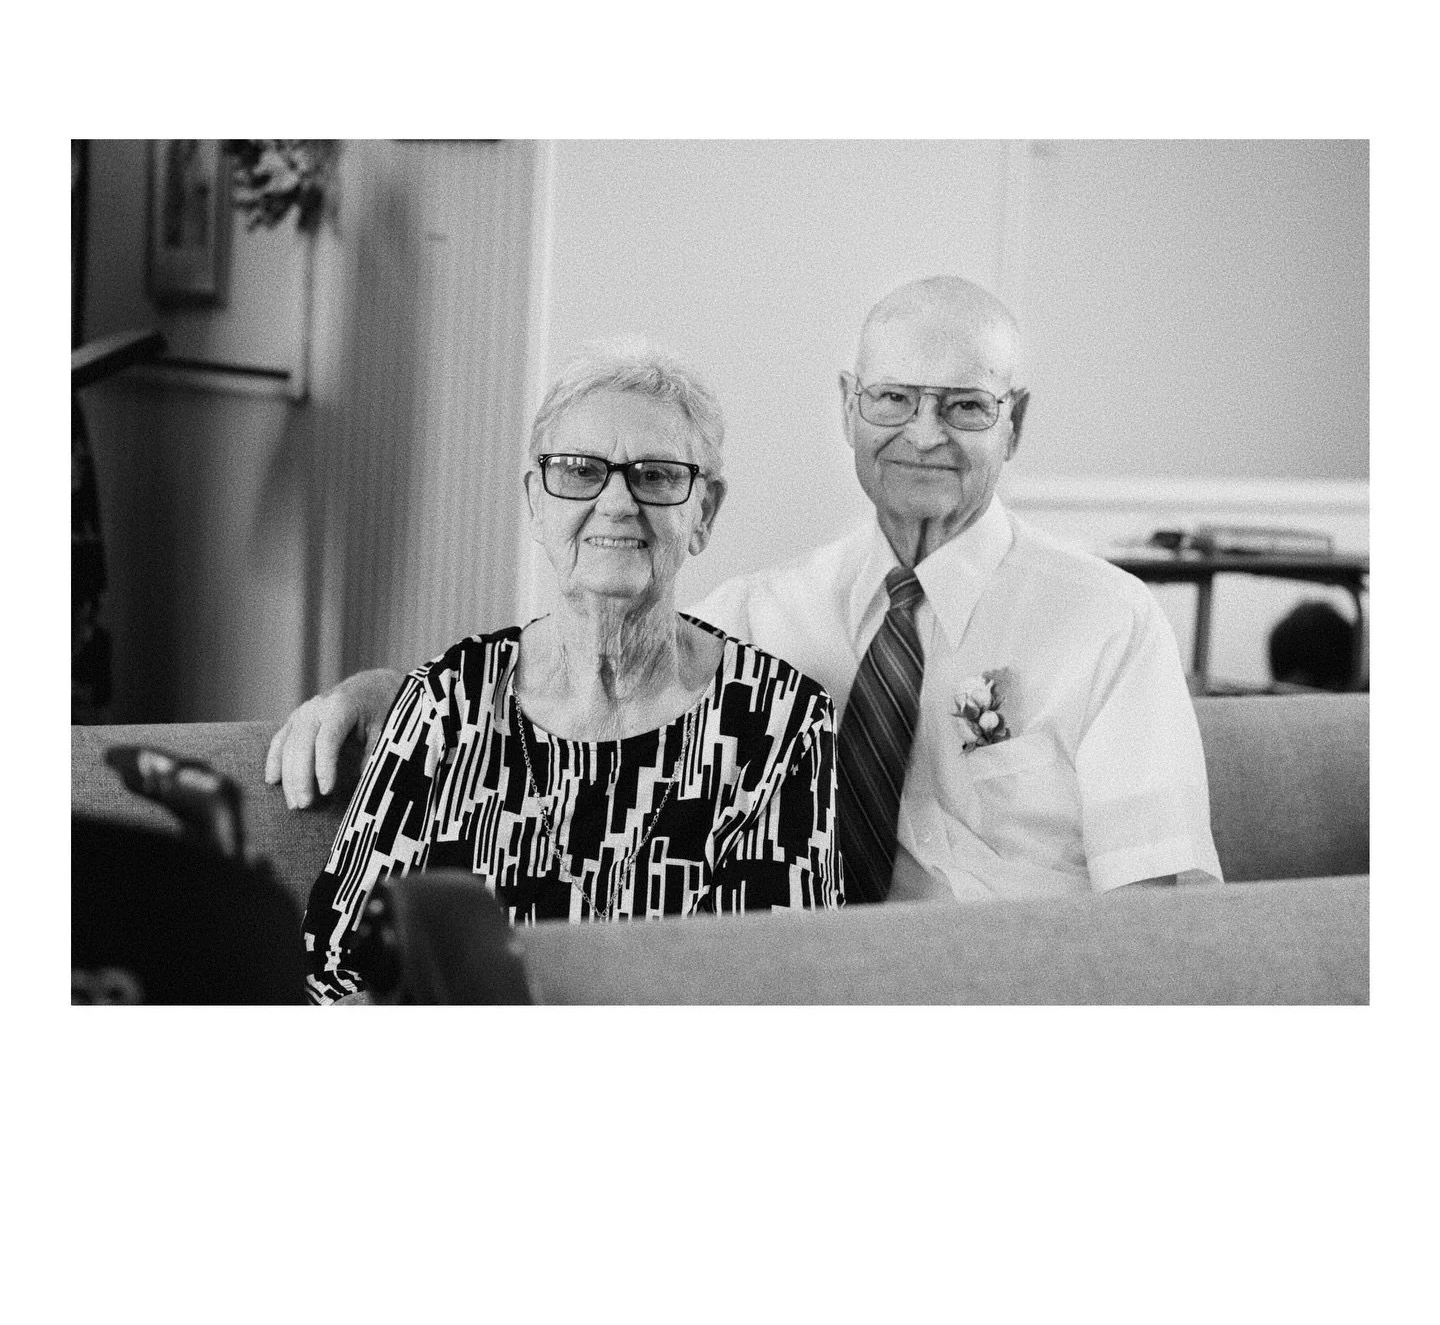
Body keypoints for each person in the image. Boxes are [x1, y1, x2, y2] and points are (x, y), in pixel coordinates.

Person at [273, 278, 1220, 909]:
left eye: (965, 405)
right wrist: (370, 698)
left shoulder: (1105, 620)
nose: (923, 434)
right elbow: (588, 662)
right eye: (893, 399)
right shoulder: (770, 615)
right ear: (848, 405)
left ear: (1016, 422)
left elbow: (1164, 908)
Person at [299, 342, 839, 1003]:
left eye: (657, 475)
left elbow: (777, 988)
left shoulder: (778, 724)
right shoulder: (449, 700)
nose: (616, 502)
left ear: (703, 512)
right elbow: (334, 962)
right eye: (579, 471)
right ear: (536, 501)